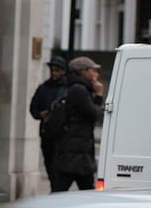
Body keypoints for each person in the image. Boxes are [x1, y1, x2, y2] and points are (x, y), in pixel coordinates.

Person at [50, 56, 105, 193]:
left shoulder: (80, 89)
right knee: (63, 191)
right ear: (84, 72)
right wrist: (99, 95)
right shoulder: (79, 90)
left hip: (78, 153)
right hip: (74, 154)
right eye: (93, 70)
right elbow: (94, 114)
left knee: (79, 191)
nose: (96, 74)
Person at [29, 55, 68, 183]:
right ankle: (54, 187)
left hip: (62, 134)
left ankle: (57, 189)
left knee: (59, 165)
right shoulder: (43, 88)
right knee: (49, 163)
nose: (54, 73)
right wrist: (41, 114)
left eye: (57, 70)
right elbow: (33, 108)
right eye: (52, 70)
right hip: (47, 132)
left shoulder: (67, 88)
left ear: (63, 71)